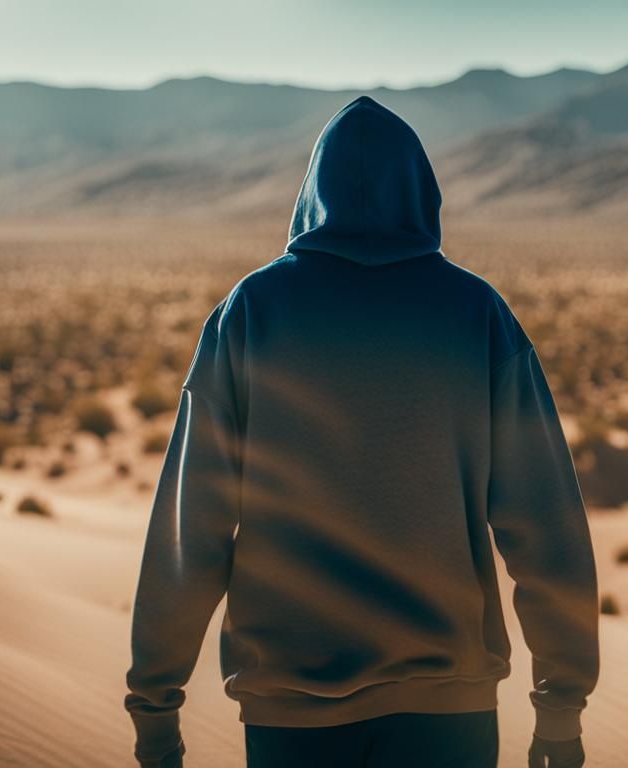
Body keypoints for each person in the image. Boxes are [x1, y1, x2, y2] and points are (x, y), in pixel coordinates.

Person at [125, 95, 599, 768]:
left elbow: (190, 526)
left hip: (291, 716)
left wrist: (155, 700)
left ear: (310, 194)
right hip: (450, 714)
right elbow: (545, 525)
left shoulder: (251, 314)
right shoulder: (477, 314)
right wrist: (560, 704)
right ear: (422, 191)